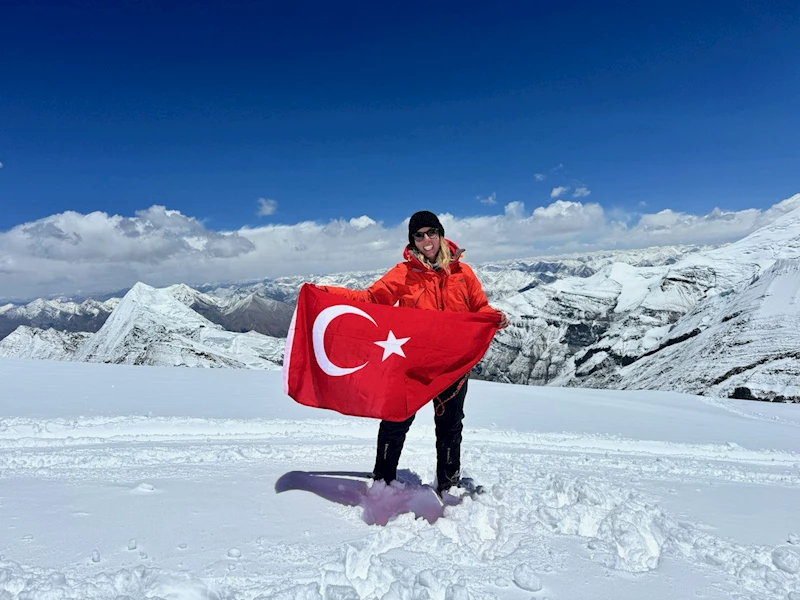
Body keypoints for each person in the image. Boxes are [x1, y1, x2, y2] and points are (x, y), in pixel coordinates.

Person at [316, 210, 508, 495]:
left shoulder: (462, 273)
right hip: (411, 364)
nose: (426, 239)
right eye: (419, 235)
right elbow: (370, 299)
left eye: (431, 232)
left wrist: (494, 317)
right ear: (412, 240)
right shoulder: (402, 274)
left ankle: (448, 482)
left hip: (451, 363)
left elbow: (479, 307)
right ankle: (383, 481)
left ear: (440, 234)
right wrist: (325, 294)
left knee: (450, 425)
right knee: (395, 419)